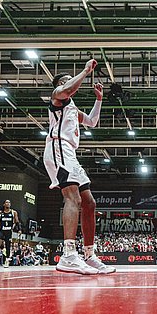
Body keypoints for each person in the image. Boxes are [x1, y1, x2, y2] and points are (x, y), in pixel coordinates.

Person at [45, 59, 115, 275]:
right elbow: (67, 89)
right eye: (67, 80)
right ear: (60, 84)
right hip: (58, 148)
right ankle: (68, 254)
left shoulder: (72, 108)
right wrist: (85, 71)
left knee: (89, 203)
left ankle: (89, 254)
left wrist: (99, 100)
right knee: (72, 198)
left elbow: (92, 121)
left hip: (70, 154)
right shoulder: (57, 97)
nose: (72, 83)